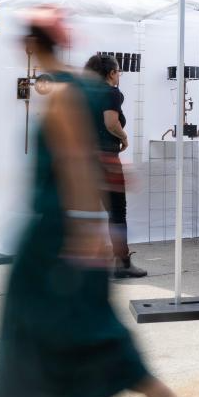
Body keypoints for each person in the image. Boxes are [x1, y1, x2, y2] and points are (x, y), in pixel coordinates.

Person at [0, 6, 182, 397]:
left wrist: (84, 232)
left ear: (33, 44)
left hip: (56, 229)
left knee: (26, 317)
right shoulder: (82, 86)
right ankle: (153, 393)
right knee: (85, 318)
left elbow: (76, 164)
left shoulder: (65, 93)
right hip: (70, 225)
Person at [84, 53, 146, 279]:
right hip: (106, 159)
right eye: (118, 71)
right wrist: (124, 136)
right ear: (111, 73)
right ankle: (122, 262)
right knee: (117, 212)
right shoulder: (111, 93)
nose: (119, 75)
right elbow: (111, 122)